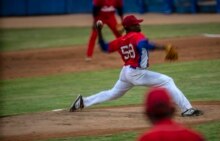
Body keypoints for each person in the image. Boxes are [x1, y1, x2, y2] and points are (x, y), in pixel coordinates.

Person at [70, 15, 203, 117]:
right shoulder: (137, 36)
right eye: (136, 24)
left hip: (126, 72)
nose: (139, 26)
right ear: (131, 27)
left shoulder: (120, 40)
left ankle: (83, 101)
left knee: (113, 93)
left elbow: (104, 47)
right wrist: (163, 47)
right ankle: (187, 109)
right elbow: (141, 45)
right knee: (168, 81)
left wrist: (99, 31)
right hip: (136, 73)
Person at [137, 88, 205, 141]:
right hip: (136, 73)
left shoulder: (146, 138)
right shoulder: (194, 136)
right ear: (173, 110)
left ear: (147, 114)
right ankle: (187, 109)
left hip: (130, 72)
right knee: (167, 80)